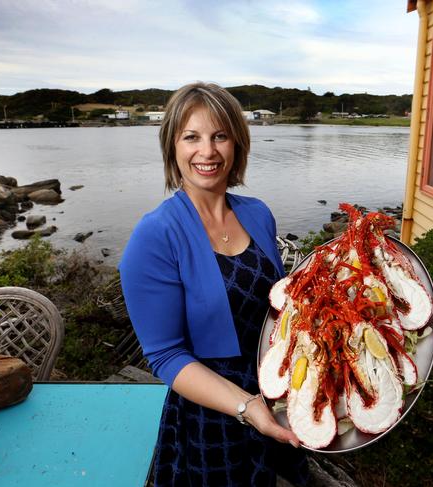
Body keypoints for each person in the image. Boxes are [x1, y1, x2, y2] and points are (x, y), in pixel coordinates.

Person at [119, 82, 308, 486]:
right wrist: (246, 406)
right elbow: (167, 357)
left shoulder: (258, 214)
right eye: (192, 137)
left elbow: (276, 313)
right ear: (172, 146)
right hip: (211, 418)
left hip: (277, 396)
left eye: (220, 136)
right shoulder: (154, 235)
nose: (207, 151)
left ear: (237, 144)